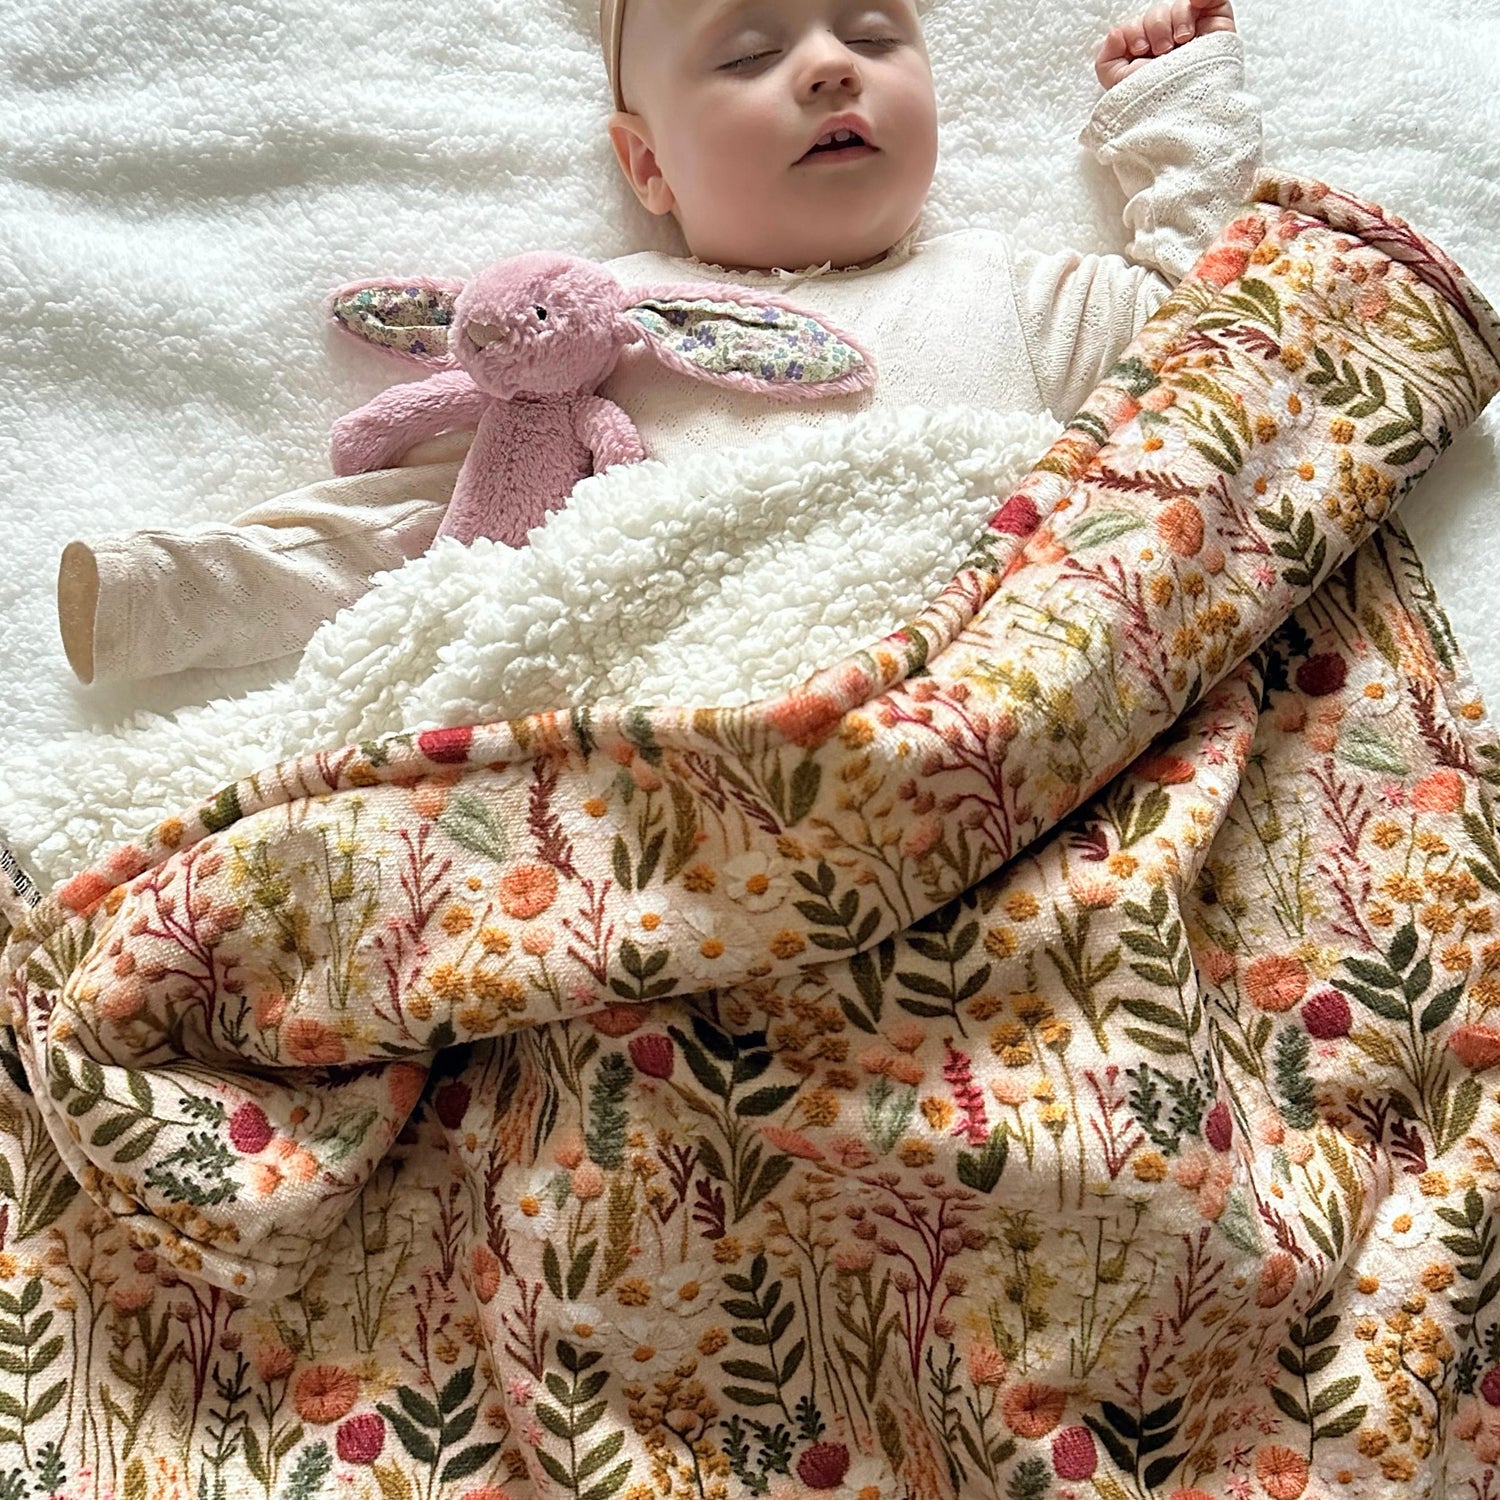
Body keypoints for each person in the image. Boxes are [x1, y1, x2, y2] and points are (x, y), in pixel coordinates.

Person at [55, 0, 1259, 685]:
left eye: (875, 33)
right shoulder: (599, 333)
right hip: (692, 740)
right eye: (751, 53)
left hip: (984, 708)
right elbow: (434, 539)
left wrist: (1172, 107)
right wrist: (173, 593)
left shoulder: (1015, 296)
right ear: (647, 167)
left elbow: (1226, 329)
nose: (830, 66)